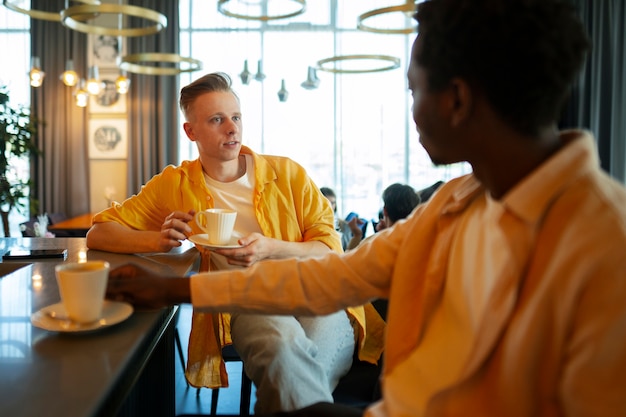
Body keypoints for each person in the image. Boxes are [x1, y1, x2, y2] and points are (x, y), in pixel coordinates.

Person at [106, 0, 626, 416]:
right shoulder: (447, 207)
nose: (413, 111)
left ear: (458, 100)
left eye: (414, 90)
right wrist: (174, 286)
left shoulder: (606, 246)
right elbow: (330, 276)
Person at [86, 73, 384, 414]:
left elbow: (330, 250)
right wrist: (158, 238)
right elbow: (99, 232)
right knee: (284, 351)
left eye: (236, 117)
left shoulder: (288, 174)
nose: (232, 128)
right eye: (217, 119)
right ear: (191, 131)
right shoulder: (175, 183)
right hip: (248, 301)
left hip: (318, 293)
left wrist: (270, 247)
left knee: (293, 369)